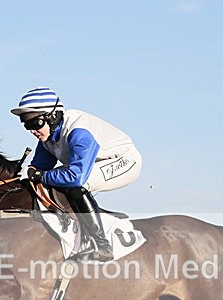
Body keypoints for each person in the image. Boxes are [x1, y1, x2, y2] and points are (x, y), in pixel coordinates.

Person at [11, 87, 142, 262]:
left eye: (36, 123)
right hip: (92, 164)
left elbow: (75, 177)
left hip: (124, 160)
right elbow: (37, 169)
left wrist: (39, 175)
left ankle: (102, 246)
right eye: (27, 125)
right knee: (50, 181)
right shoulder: (47, 138)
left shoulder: (78, 132)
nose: (32, 130)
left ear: (53, 116)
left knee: (76, 185)